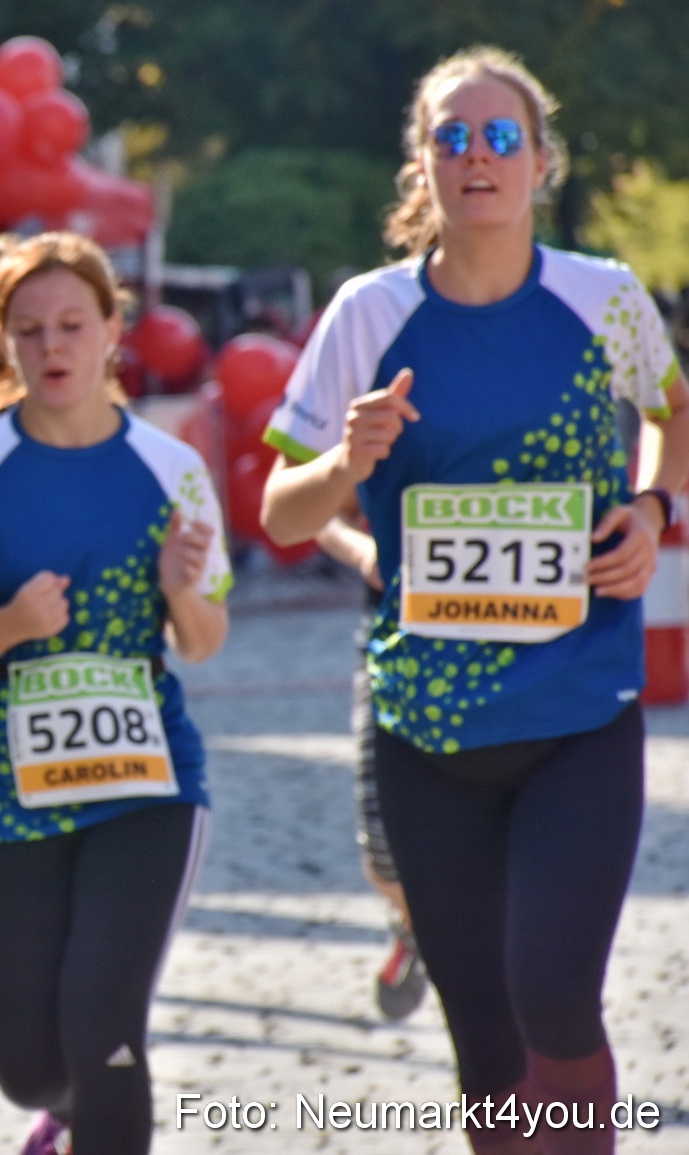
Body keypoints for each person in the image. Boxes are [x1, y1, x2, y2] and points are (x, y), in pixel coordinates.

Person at [261, 47, 689, 1155]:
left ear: (540, 163)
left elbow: (675, 412)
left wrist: (650, 512)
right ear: (423, 166)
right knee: (485, 1047)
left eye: (499, 136)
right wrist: (347, 459)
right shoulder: (367, 313)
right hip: (428, 733)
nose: (475, 156)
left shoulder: (602, 296)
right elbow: (280, 514)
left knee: (555, 998)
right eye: (450, 137)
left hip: (575, 713)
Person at [0, 231, 231, 1155]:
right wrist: (11, 627)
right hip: (2, 782)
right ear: (7, 341)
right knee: (27, 1063)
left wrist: (182, 588)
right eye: (31, 330)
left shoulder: (170, 467)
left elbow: (204, 639)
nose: (54, 346)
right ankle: (61, 1119)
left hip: (145, 779)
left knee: (104, 1028)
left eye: (74, 324)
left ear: (114, 331)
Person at [312, 511, 431, 1021]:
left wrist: (649, 508)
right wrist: (363, 550)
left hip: (525, 642)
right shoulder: (347, 425)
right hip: (394, 637)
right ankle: (419, 925)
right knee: (383, 851)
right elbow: (293, 497)